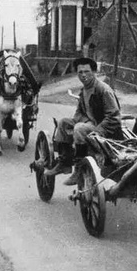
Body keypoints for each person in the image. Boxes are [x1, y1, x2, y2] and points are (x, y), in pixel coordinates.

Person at [44, 57, 123, 185]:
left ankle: (79, 170)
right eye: (80, 72)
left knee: (79, 128)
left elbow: (114, 116)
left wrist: (97, 131)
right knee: (63, 122)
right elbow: (80, 112)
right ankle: (64, 163)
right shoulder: (84, 90)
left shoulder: (103, 90)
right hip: (91, 124)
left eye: (87, 71)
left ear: (94, 72)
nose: (83, 75)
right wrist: (71, 123)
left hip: (106, 130)